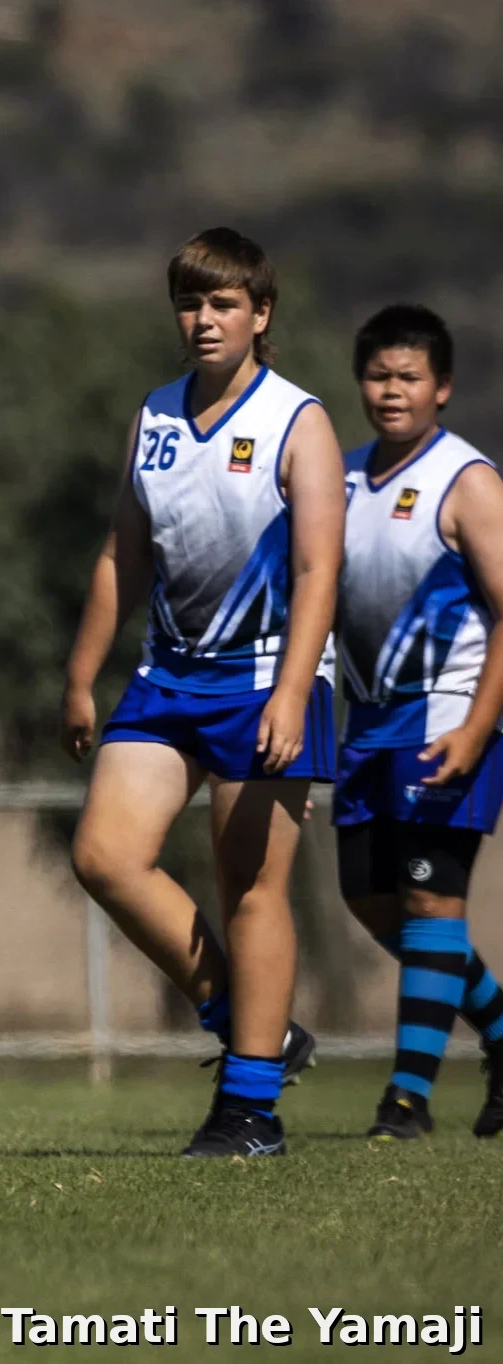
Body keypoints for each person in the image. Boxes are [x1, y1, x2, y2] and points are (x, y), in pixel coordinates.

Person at [63, 228, 342, 1158]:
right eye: (190, 302)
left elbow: (317, 570)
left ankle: (250, 1112)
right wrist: (79, 675)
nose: (204, 319)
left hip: (269, 677)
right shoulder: (154, 416)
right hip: (168, 673)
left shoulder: (298, 422)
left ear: (261, 316)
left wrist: (294, 694)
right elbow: (120, 555)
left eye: (224, 303)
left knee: (249, 886)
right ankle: (249, 1020)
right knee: (105, 856)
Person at [330, 304, 503, 1141]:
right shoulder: (343, 476)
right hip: (365, 727)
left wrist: (475, 730)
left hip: (447, 722)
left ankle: (408, 1098)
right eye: (378, 375)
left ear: (442, 387)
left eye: (409, 377)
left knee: (434, 900)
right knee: (369, 900)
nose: (392, 391)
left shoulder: (468, 481)